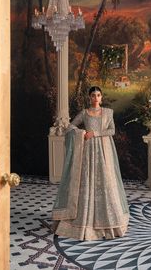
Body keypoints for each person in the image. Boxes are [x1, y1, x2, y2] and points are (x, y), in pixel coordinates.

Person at [52, 86, 129, 241]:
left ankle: (109, 221)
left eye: (98, 95)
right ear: (89, 97)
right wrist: (81, 133)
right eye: (93, 95)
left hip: (104, 151)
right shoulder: (84, 113)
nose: (96, 98)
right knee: (87, 181)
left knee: (106, 181)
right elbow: (70, 127)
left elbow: (112, 131)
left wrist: (95, 133)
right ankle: (84, 220)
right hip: (87, 152)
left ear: (101, 97)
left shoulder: (108, 113)